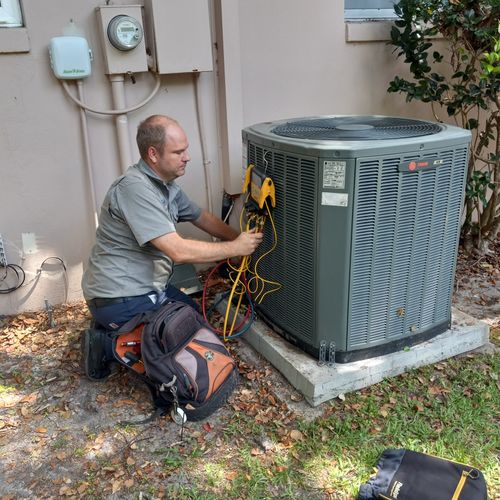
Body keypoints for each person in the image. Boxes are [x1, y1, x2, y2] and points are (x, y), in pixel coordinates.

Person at [81, 114, 263, 380]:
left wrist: (237, 238)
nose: (187, 157)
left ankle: (126, 331)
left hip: (146, 288)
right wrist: (235, 248)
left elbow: (201, 216)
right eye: (178, 152)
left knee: (194, 318)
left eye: (186, 150)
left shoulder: (166, 187)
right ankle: (106, 344)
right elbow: (177, 250)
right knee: (178, 344)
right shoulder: (134, 189)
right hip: (119, 295)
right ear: (153, 154)